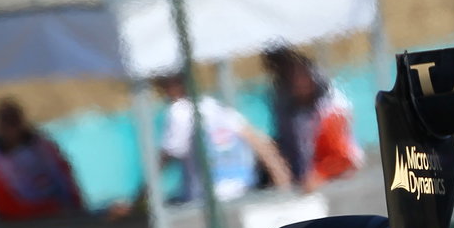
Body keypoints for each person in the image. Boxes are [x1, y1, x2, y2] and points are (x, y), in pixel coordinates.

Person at [154, 73, 292, 204]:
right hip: (244, 188)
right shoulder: (215, 106)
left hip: (206, 197)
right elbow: (258, 142)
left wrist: (148, 187)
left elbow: (171, 151)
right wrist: (282, 178)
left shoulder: (178, 112)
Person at [262, 47, 366, 193]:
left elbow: (344, 158)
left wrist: (319, 175)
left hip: (337, 181)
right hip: (306, 180)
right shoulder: (292, 110)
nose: (297, 84)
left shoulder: (331, 109)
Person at [0, 99, 86, 221]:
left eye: (14, 121)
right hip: (26, 224)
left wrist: (74, 207)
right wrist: (48, 210)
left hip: (62, 213)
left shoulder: (43, 146)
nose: (11, 128)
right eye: (6, 122)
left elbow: (65, 178)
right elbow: (5, 205)